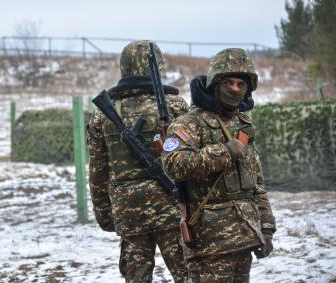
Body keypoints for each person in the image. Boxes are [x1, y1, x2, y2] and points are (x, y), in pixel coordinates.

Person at [161, 48, 276, 283]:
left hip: (244, 236)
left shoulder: (243, 123)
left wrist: (266, 228)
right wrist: (223, 152)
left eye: (241, 84)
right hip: (208, 244)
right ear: (215, 83)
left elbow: (256, 180)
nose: (235, 89)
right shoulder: (189, 123)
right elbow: (173, 164)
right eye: (228, 82)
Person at [87, 40, 188, 283]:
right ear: (159, 67)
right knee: (188, 275)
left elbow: (98, 173)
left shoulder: (102, 115)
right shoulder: (175, 106)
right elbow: (189, 162)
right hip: (172, 210)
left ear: (124, 68)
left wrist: (106, 216)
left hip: (128, 212)